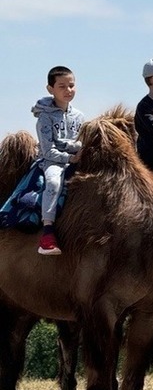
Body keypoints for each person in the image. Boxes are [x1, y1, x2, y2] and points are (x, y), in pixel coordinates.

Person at [32, 65, 85, 255]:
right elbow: (47, 150)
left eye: (71, 85)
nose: (68, 90)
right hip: (52, 162)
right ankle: (47, 233)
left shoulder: (80, 116)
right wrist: (70, 157)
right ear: (50, 89)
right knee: (54, 182)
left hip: (76, 159)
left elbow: (80, 141)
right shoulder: (44, 118)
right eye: (62, 86)